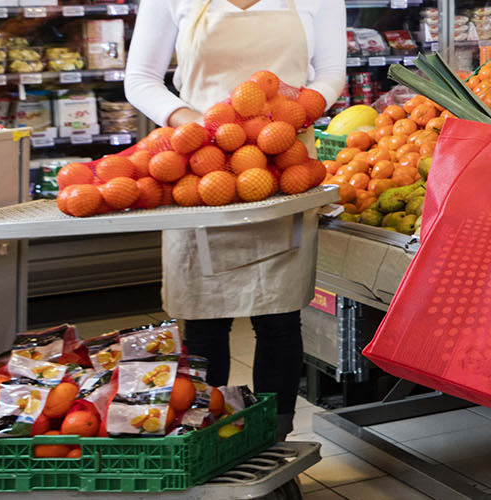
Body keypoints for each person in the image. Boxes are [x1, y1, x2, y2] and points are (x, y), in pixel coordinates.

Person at [124, 0, 347, 436]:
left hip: (283, 165)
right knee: (204, 321)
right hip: (200, 168)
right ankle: (206, 439)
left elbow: (332, 70)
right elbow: (140, 78)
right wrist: (194, 123)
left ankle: (274, 439)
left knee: (280, 318)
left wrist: (300, 110)